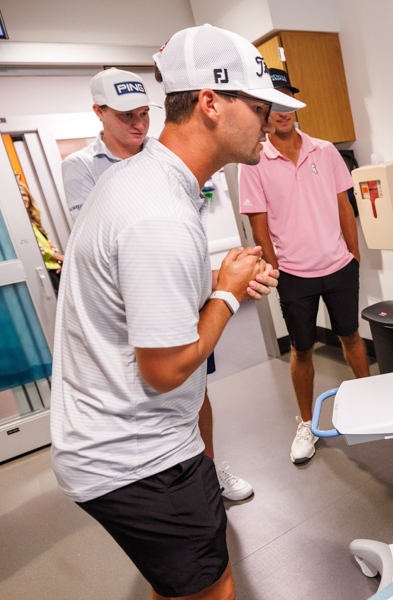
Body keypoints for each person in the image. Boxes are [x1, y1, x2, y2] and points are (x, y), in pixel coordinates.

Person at [50, 24, 305, 600]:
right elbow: (163, 369)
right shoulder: (159, 212)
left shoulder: (144, 181)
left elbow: (135, 294)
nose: (269, 121)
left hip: (121, 445)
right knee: (212, 591)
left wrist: (219, 277)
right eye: (260, 106)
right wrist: (227, 295)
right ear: (211, 103)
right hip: (137, 458)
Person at [62, 66, 253, 501]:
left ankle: (205, 471)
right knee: (173, 373)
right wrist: (226, 292)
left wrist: (222, 280)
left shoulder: (167, 161)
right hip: (136, 318)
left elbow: (178, 251)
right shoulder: (96, 174)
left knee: (195, 387)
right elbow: (126, 254)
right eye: (124, 115)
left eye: (142, 113)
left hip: (178, 290)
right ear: (99, 113)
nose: (137, 124)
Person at [239, 68, 370, 465]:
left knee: (351, 337)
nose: (283, 112)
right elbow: (259, 227)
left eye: (287, 102)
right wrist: (279, 274)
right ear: (263, 112)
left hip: (339, 267)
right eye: (273, 105)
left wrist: (353, 256)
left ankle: (369, 405)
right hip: (295, 275)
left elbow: (345, 208)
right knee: (302, 349)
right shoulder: (254, 161)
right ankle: (307, 424)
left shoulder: (325, 151)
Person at [61, 68, 158, 224]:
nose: (140, 125)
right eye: (127, 114)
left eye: (144, 113)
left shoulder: (163, 151)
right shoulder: (80, 164)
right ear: (99, 111)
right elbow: (89, 229)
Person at [18, 181, 64, 294]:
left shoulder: (32, 222)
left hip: (55, 269)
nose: (23, 198)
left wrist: (61, 261)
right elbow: (43, 251)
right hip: (46, 271)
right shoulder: (20, 224)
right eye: (19, 195)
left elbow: (48, 245)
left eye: (24, 195)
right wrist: (64, 259)